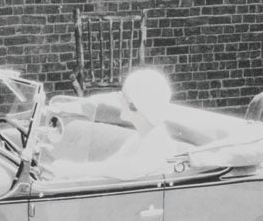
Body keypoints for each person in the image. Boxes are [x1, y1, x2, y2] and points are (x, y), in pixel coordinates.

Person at [49, 68, 178, 181]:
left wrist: (75, 170)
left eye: (123, 96)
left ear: (135, 107)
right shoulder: (140, 137)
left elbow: (129, 169)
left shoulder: (158, 141)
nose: (119, 99)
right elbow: (109, 165)